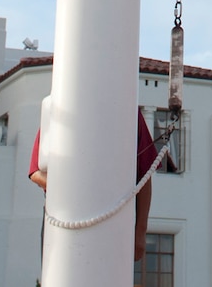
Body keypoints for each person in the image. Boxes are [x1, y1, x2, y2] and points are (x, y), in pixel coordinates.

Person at [29, 111, 158, 261]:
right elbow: (35, 172)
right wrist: (75, 187)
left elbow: (145, 172)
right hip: (63, 222)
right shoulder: (59, 106)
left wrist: (141, 232)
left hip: (114, 221)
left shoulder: (126, 107)